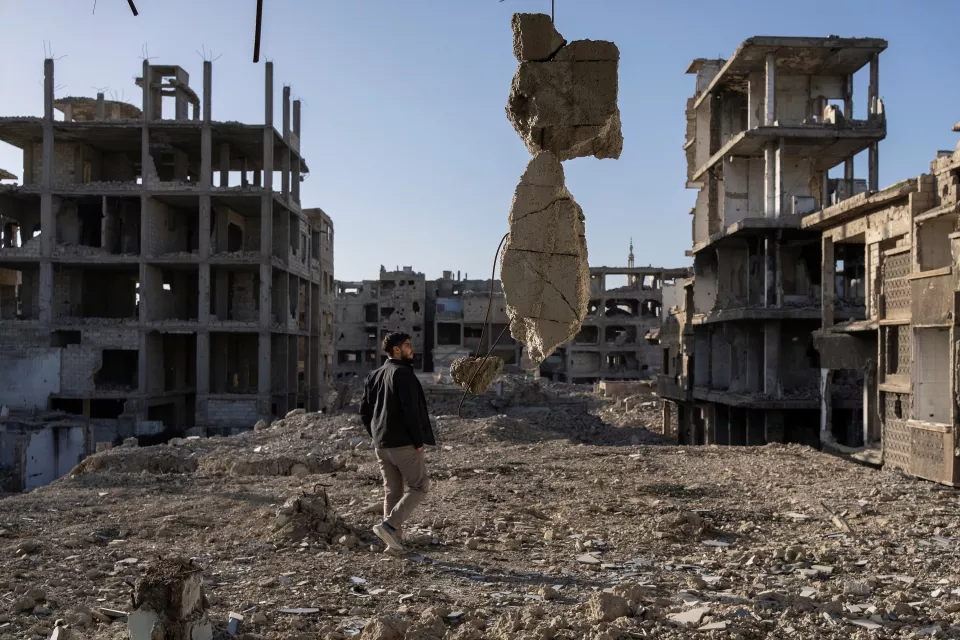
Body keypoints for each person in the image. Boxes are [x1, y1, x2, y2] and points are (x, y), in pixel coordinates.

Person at [360, 331, 435, 553]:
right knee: (419, 486)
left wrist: (375, 435)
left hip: (381, 445)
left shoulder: (374, 375)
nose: (411, 349)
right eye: (407, 346)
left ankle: (393, 544)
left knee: (392, 491)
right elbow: (410, 411)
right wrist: (418, 441)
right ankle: (390, 525)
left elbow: (364, 412)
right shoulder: (404, 374)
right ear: (396, 350)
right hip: (403, 444)